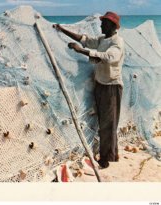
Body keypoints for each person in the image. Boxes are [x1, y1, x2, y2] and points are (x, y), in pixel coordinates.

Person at [53, 11, 124, 168]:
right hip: (100, 83)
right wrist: (62, 29)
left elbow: (106, 57)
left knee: (109, 123)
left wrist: (80, 51)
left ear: (112, 25)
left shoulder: (117, 43)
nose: (100, 25)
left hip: (111, 87)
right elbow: (84, 39)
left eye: (104, 23)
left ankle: (105, 159)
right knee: (104, 121)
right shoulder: (102, 39)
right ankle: (113, 153)